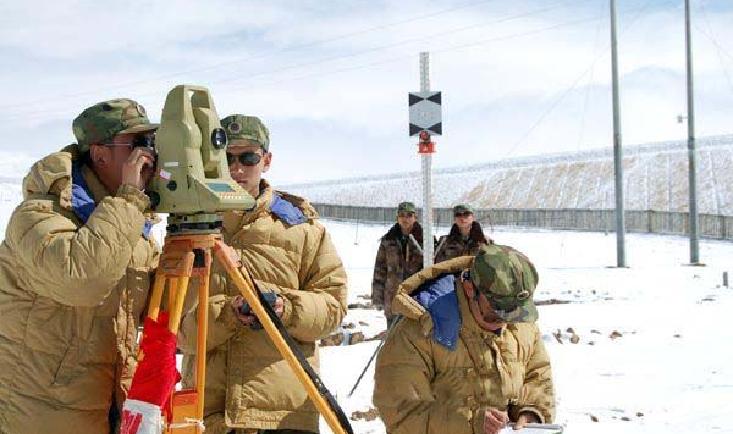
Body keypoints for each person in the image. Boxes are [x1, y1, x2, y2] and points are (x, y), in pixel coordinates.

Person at [178, 114, 348, 434]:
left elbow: (333, 305)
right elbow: (179, 330)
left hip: (284, 414)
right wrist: (228, 315)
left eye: (248, 157)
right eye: (227, 157)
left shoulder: (303, 229)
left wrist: (286, 308)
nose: (237, 168)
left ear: (266, 160)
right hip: (210, 415)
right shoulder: (191, 230)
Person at [0, 99, 160, 433]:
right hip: (41, 414)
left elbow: (167, 318)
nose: (148, 155)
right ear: (100, 154)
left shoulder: (130, 226)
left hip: (108, 409)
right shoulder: (37, 217)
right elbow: (83, 279)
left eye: (152, 143)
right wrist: (130, 197)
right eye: (138, 145)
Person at [373, 244, 555, 434]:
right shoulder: (418, 332)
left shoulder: (516, 317)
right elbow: (402, 415)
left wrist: (532, 412)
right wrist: (469, 424)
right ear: (469, 288)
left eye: (514, 315)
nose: (505, 322)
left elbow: (537, 372)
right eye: (495, 313)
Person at [371, 201, 424, 326]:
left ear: (415, 218)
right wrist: (378, 298)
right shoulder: (388, 240)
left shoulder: (425, 240)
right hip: (393, 298)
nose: (405, 219)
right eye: (402, 215)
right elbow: (380, 269)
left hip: (417, 299)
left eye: (409, 215)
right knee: (394, 338)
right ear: (397, 218)